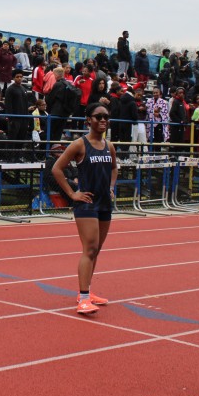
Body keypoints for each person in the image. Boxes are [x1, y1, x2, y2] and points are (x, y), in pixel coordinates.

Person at [50, 102, 118, 315]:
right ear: (88, 120)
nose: (103, 120)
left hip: (104, 203)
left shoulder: (109, 146)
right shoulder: (79, 145)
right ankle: (84, 299)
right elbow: (57, 169)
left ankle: (86, 292)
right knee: (89, 249)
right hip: (86, 203)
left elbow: (114, 168)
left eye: (106, 116)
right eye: (98, 116)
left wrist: (111, 187)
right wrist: (72, 194)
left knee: (96, 249)